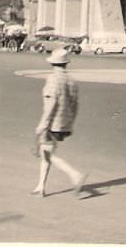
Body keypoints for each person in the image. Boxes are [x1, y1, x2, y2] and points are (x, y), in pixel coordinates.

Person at [31, 48, 87, 198]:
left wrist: (43, 124)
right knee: (46, 152)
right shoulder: (71, 81)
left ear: (53, 63)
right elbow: (75, 105)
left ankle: (75, 174)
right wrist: (70, 123)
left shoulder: (53, 79)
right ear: (65, 64)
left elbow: (51, 103)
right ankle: (40, 187)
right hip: (64, 123)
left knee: (47, 153)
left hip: (52, 123)